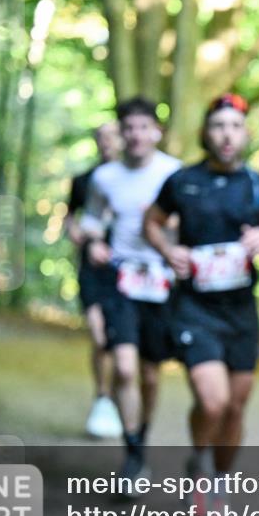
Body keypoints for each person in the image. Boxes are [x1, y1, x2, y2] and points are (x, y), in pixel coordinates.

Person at [144, 93, 259, 516]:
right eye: (218, 126)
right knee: (213, 402)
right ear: (205, 134)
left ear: (245, 134)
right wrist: (167, 250)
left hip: (241, 311)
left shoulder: (258, 186)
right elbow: (151, 222)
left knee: (235, 408)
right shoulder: (182, 181)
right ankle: (199, 461)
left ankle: (219, 482)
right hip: (193, 307)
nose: (226, 134)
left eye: (234, 126)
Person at [80, 98, 182, 490]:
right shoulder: (105, 177)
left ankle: (142, 438)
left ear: (156, 132)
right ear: (120, 134)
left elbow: (189, 223)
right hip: (120, 279)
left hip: (160, 282)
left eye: (143, 127)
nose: (136, 134)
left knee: (151, 374)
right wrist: (92, 244)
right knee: (123, 366)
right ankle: (133, 452)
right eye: (129, 128)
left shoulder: (174, 173)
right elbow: (91, 221)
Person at [63, 122, 124, 439]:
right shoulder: (84, 180)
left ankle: (116, 401)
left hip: (127, 270)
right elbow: (69, 215)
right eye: (101, 137)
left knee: (121, 342)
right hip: (92, 269)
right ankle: (102, 398)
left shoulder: (135, 179)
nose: (107, 143)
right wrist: (75, 233)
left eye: (112, 136)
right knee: (100, 337)